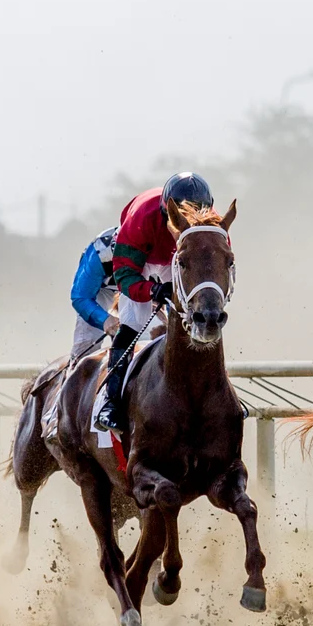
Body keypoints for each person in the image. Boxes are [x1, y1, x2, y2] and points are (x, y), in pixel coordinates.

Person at [95, 172, 214, 434]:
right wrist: (152, 290)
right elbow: (124, 275)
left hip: (181, 257)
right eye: (180, 221)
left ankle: (216, 395)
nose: (187, 225)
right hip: (142, 258)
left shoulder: (209, 223)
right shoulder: (142, 218)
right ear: (167, 213)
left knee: (200, 320)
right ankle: (110, 401)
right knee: (133, 323)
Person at [69, 226, 120, 366]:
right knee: (86, 343)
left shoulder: (163, 249)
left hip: (139, 289)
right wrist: (104, 320)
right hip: (100, 290)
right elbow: (80, 297)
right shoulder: (101, 250)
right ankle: (75, 372)